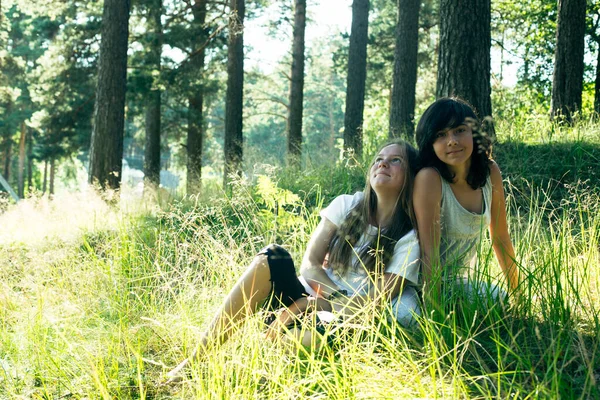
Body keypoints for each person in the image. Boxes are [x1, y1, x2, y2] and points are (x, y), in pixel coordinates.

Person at [166, 140, 421, 381]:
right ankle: (195, 361)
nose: (383, 164)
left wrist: (312, 305)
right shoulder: (346, 205)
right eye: (379, 159)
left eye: (396, 160)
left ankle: (257, 363)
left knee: (310, 337)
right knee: (273, 255)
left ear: (411, 178)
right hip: (300, 302)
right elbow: (309, 264)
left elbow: (371, 306)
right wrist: (315, 299)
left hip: (343, 324)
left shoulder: (409, 238)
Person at [412, 97, 520, 312]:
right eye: (440, 135)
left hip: (456, 283)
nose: (451, 141)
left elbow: (500, 238)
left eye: (459, 130)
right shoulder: (429, 178)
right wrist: (436, 315)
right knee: (407, 318)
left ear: (474, 133)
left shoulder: (490, 172)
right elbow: (428, 252)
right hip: (414, 281)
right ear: (430, 143)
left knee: (500, 299)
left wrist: (518, 296)